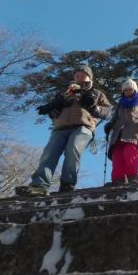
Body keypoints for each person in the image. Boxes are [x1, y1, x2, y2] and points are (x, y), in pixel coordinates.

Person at [16, 65, 112, 196]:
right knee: (49, 153)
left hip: (83, 127)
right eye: (77, 75)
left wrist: (95, 108)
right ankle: (39, 185)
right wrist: (53, 111)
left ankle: (67, 185)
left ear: (89, 77)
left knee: (73, 149)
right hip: (60, 128)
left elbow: (108, 112)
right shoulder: (65, 93)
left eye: (83, 75)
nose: (80, 78)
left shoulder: (96, 93)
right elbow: (53, 110)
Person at [104, 79, 138, 185]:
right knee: (117, 156)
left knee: (130, 154)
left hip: (133, 132)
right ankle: (118, 179)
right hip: (118, 133)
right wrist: (110, 125)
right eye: (125, 90)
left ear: (134, 89)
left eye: (130, 89)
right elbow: (115, 118)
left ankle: (133, 177)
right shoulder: (120, 104)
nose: (127, 92)